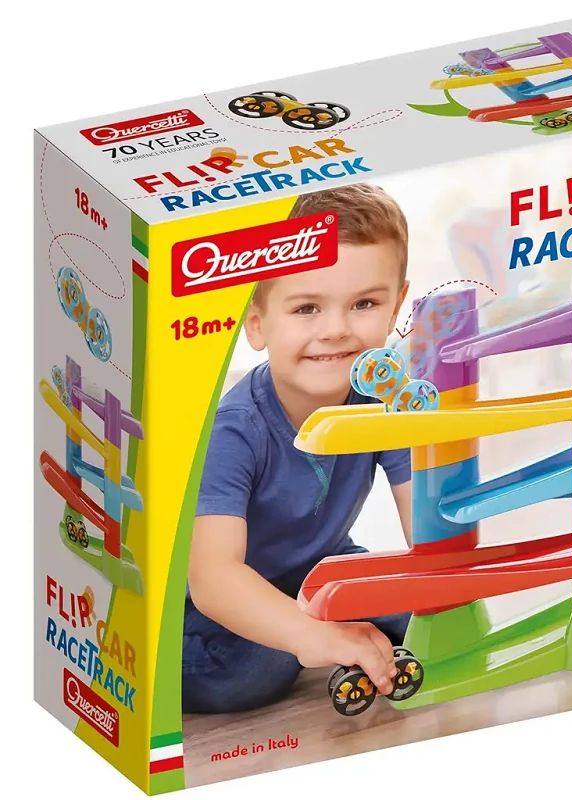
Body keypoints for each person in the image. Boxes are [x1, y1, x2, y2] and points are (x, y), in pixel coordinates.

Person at [182, 183, 415, 714]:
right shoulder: (232, 430)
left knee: (412, 609)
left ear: (395, 307)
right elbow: (213, 579)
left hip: (317, 572)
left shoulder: (387, 400)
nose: (336, 330)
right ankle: (308, 637)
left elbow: (426, 527)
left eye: (364, 304)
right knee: (256, 667)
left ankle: (319, 632)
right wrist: (314, 637)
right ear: (257, 323)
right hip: (206, 610)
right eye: (307, 308)